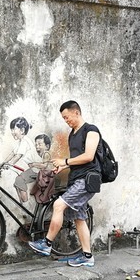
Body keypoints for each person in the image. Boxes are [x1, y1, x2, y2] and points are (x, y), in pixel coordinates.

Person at [28, 101, 101, 267]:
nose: (66, 121)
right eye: (63, 119)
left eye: (67, 117)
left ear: (76, 112)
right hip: (76, 178)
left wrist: (65, 160)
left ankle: (46, 244)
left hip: (87, 179)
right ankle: (87, 256)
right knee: (79, 218)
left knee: (59, 205)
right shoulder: (73, 134)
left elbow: (89, 156)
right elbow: (75, 160)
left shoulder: (91, 131)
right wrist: (62, 166)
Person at [14, 134, 53, 202]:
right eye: (36, 144)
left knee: (19, 180)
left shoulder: (46, 154)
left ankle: (25, 202)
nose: (37, 146)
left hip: (42, 174)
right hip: (35, 171)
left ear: (47, 146)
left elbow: (45, 165)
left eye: (40, 144)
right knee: (18, 181)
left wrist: (34, 164)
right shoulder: (36, 153)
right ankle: (23, 201)